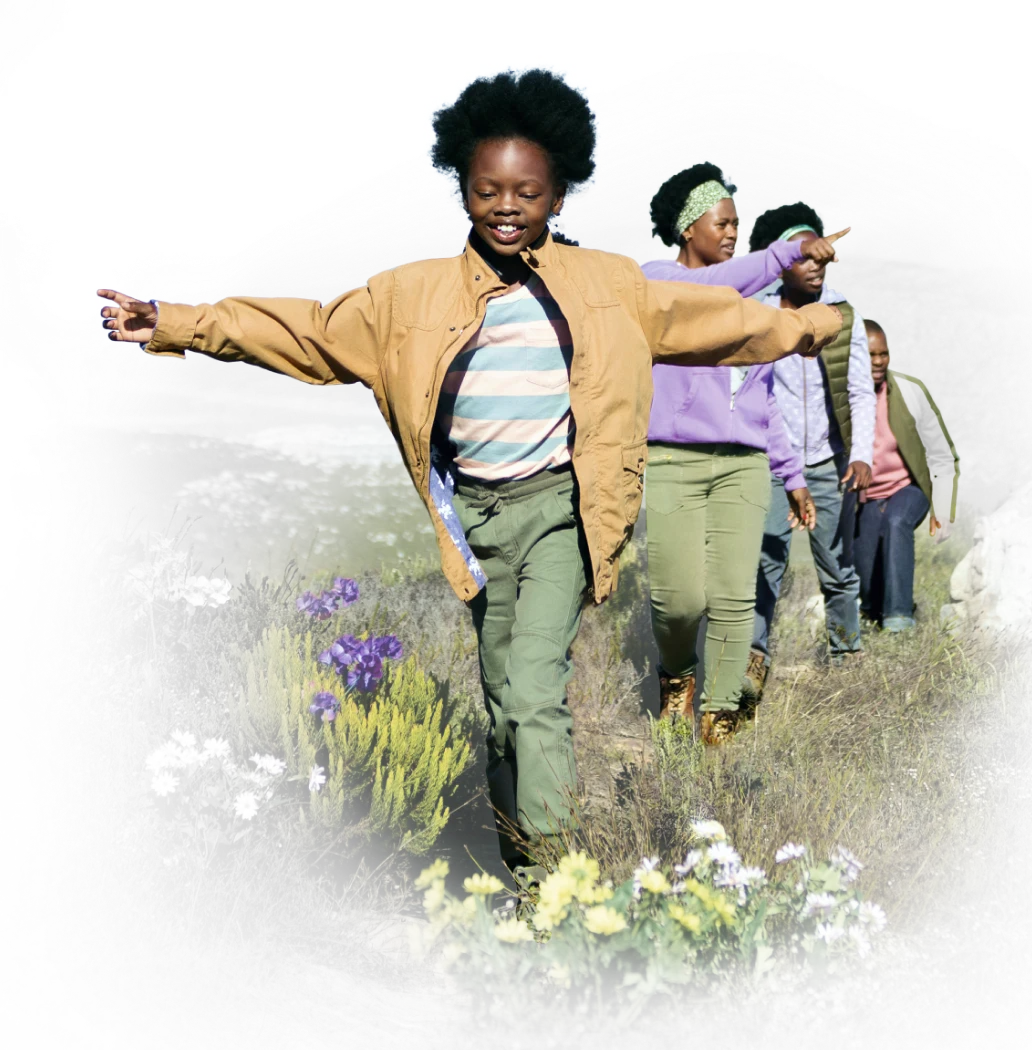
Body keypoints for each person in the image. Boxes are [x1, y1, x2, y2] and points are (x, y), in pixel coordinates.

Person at [95, 66, 844, 878]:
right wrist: (174, 322)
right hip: (473, 523)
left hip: (560, 512)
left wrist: (805, 325)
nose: (508, 206)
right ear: (462, 190)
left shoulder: (608, 286)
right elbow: (305, 333)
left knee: (533, 692)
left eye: (528, 191)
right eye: (489, 189)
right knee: (498, 699)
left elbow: (717, 321)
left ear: (560, 195)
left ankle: (556, 881)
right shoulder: (406, 299)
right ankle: (498, 845)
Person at [640, 162, 850, 742]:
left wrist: (792, 475)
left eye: (737, 224)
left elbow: (764, 401)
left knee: (735, 596)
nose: (732, 232)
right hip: (673, 460)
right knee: (678, 599)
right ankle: (677, 678)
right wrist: (787, 251)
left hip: (744, 464)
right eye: (722, 222)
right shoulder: (657, 280)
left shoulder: (745, 305)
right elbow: (704, 293)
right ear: (689, 228)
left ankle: (719, 713)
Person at [747, 201, 876, 675]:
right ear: (780, 260)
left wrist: (860, 454)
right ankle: (753, 657)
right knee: (765, 562)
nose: (815, 266)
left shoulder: (842, 315)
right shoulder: (757, 313)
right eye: (803, 257)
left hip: (828, 462)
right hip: (771, 463)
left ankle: (847, 658)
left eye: (819, 257)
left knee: (838, 568)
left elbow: (861, 391)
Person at [853, 319, 959, 632]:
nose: (878, 361)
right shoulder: (841, 401)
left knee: (896, 520)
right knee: (868, 595)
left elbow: (944, 456)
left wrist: (943, 510)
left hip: (907, 489)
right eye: (869, 355)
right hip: (865, 500)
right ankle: (876, 619)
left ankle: (900, 620)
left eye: (883, 354)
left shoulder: (911, 392)